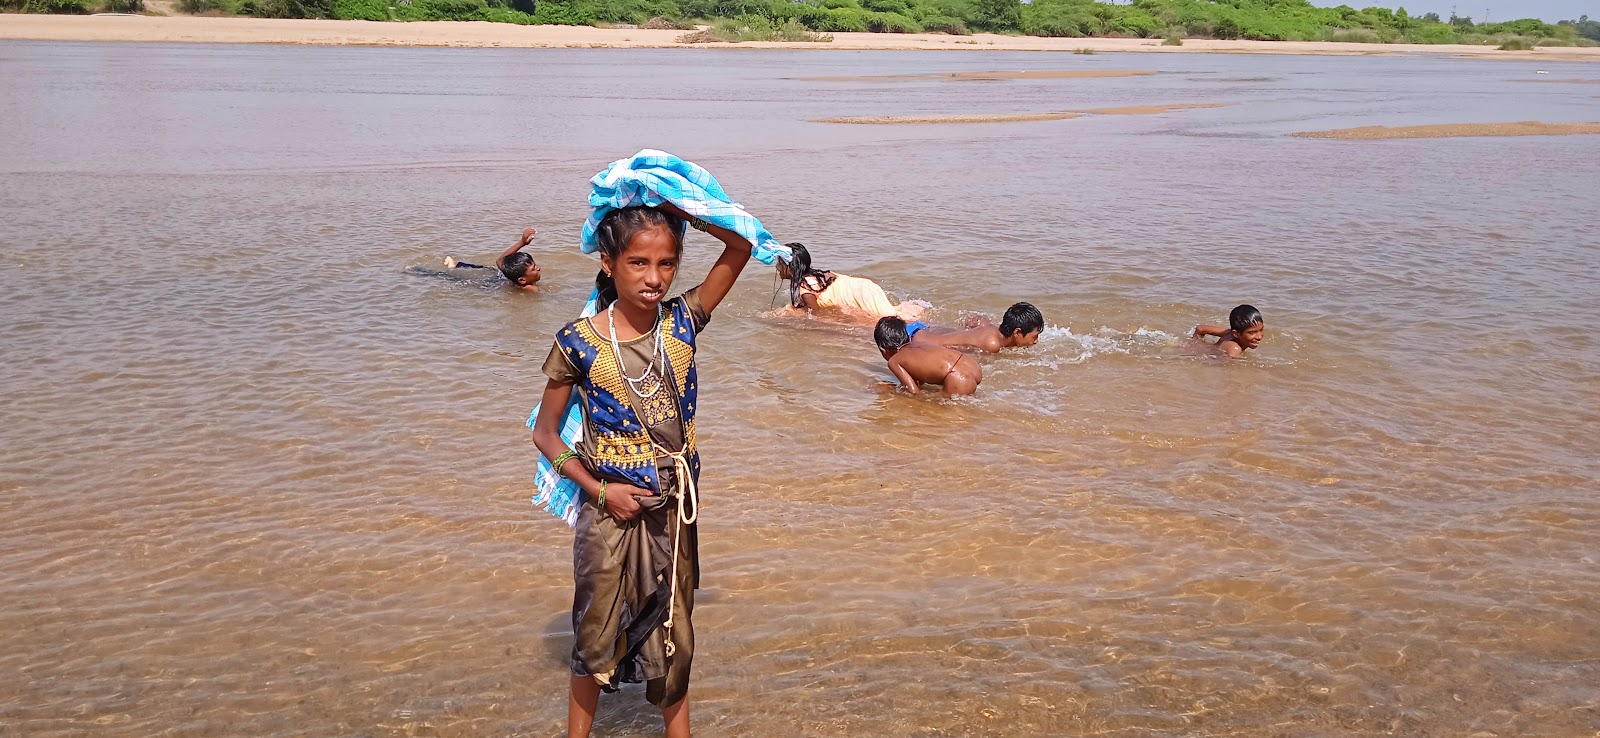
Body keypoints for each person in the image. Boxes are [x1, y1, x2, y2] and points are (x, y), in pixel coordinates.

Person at [530, 203, 753, 738]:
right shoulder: (579, 342)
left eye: (667, 263)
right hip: (608, 516)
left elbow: (740, 248)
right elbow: (545, 433)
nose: (654, 278)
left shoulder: (682, 322)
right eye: (638, 263)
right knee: (593, 635)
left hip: (674, 512)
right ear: (608, 263)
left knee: (675, 633)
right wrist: (600, 491)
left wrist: (683, 211)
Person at [776, 242, 924, 322]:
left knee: (884, 323)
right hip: (865, 286)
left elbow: (815, 315)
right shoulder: (819, 275)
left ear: (792, 268)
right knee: (890, 314)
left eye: (780, 264)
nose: (777, 267)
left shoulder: (805, 289)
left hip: (857, 295)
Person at [874, 316, 981, 397]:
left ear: (884, 350)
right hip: (972, 366)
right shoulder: (919, 343)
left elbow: (913, 392)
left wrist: (890, 390)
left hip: (957, 378)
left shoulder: (894, 361)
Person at [909, 302, 1045, 353]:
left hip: (926, 330)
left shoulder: (992, 328)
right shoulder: (992, 345)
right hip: (915, 339)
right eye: (1034, 336)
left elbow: (974, 320)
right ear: (1017, 332)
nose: (1036, 341)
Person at [444, 227, 542, 290]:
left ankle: (456, 265)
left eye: (535, 265)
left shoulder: (516, 276)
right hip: (493, 286)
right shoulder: (531, 288)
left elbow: (500, 260)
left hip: (501, 279)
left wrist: (522, 243)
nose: (538, 268)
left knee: (489, 269)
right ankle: (453, 267)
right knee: (472, 280)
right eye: (533, 268)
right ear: (522, 280)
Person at [1192, 304, 1265, 357]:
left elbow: (1201, 328)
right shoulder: (1234, 350)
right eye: (1252, 332)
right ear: (1236, 334)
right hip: (1195, 354)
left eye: (1261, 330)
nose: (1259, 336)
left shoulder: (1229, 332)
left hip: (1202, 349)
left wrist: (1195, 342)